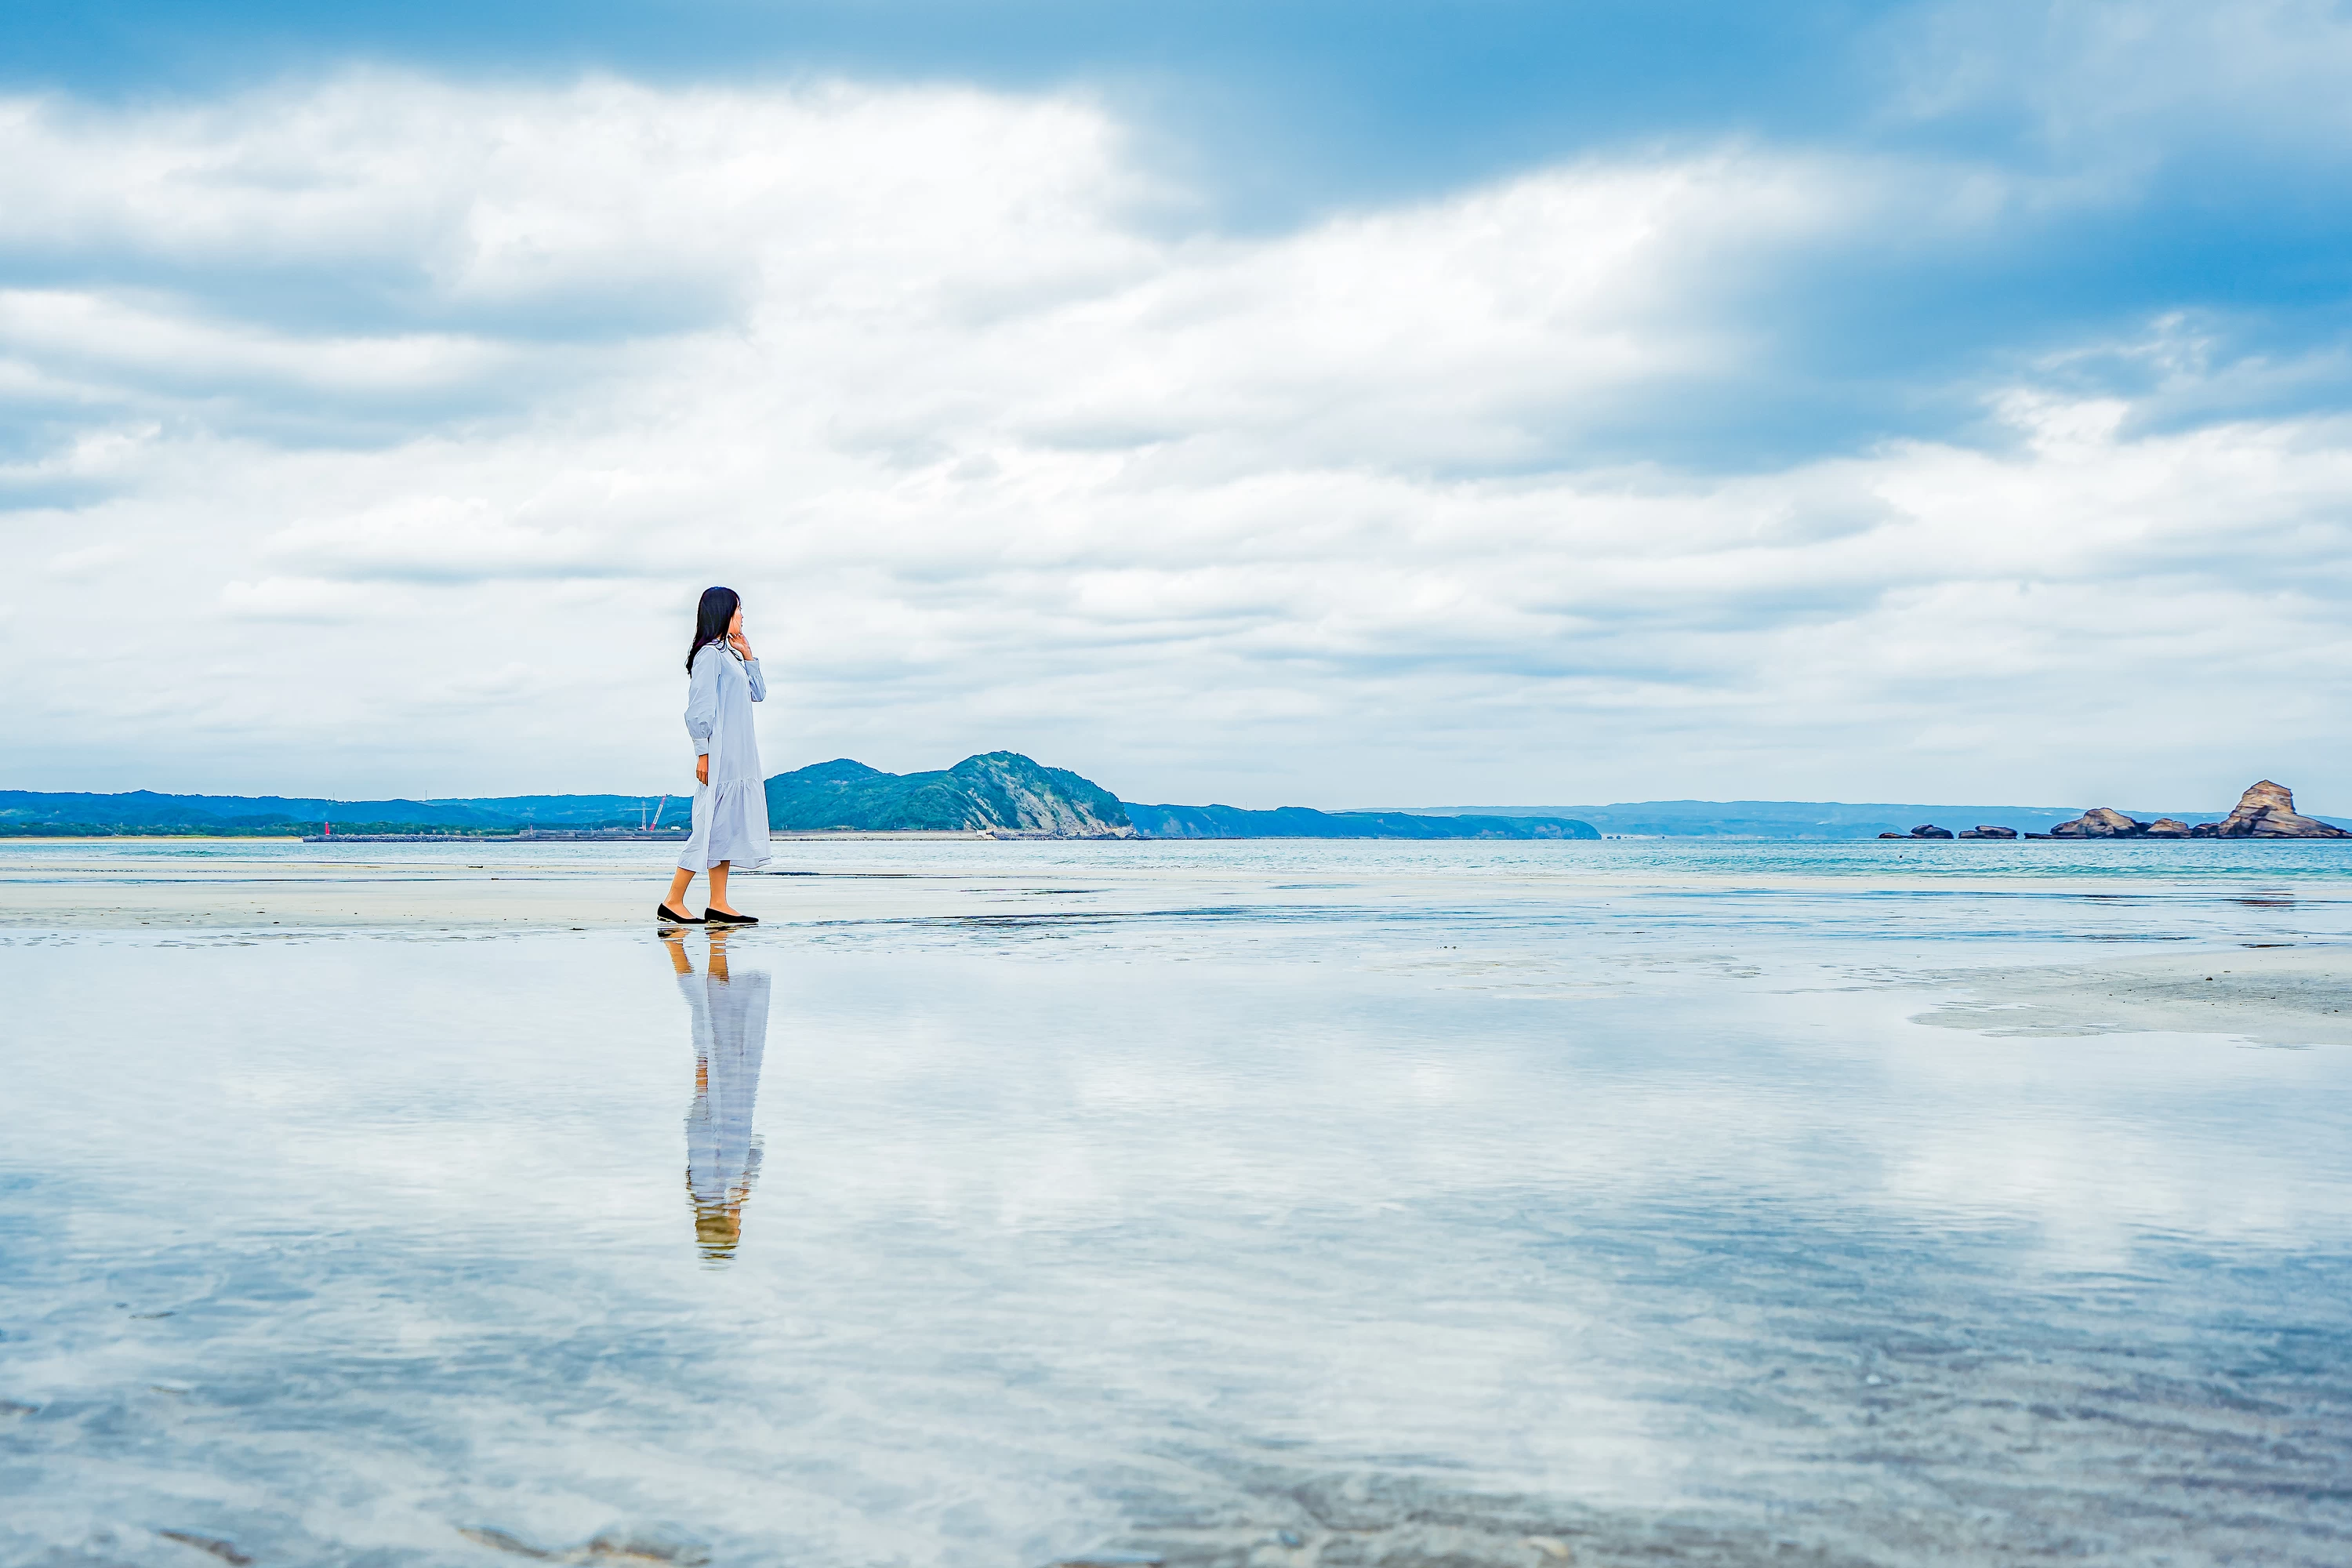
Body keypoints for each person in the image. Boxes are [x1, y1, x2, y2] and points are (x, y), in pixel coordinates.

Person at [658, 586, 770, 925]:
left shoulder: (731, 655)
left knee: (725, 829)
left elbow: (759, 693)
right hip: (720, 754)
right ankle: (673, 900)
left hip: (740, 755)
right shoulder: (708, 654)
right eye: (737, 611)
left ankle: (718, 902)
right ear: (722, 613)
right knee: (708, 827)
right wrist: (702, 753)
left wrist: (749, 656)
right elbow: (699, 709)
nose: (742, 618)